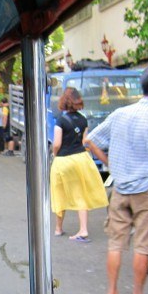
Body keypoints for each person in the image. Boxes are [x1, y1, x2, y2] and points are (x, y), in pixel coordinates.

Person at [86, 63, 148, 294]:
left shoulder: (120, 114)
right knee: (143, 245)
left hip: (120, 188)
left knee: (116, 243)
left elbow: (90, 140)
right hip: (147, 189)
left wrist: (109, 163)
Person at [50, 87, 108, 241]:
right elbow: (84, 141)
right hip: (81, 159)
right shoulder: (83, 120)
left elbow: (56, 144)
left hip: (63, 160)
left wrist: (55, 155)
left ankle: (58, 228)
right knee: (80, 193)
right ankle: (83, 229)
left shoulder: (61, 121)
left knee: (59, 192)